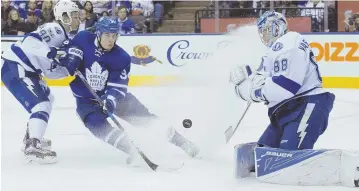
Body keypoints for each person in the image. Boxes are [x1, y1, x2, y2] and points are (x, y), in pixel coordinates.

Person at [59, 16, 199, 167]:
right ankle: (134, 151)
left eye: (114, 36)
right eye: (107, 35)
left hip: (117, 99)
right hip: (86, 102)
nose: (111, 40)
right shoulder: (83, 38)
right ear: (98, 34)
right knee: (99, 128)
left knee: (145, 119)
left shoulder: (121, 57)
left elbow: (117, 86)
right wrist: (68, 58)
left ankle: (183, 142)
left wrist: (110, 101)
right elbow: (66, 48)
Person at [229, 11, 335, 177]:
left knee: (288, 164)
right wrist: (244, 80)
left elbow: (285, 87)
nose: (263, 36)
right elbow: (260, 80)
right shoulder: (274, 51)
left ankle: (336, 168)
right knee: (261, 159)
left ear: (275, 28)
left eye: (265, 31)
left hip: (306, 106)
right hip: (284, 112)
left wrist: (253, 91)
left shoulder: (289, 42)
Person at [1, 0, 80, 164]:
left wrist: (66, 69)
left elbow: (50, 72)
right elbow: (30, 40)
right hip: (16, 66)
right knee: (41, 104)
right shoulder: (55, 29)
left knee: (48, 99)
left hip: (26, 69)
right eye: (74, 16)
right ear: (63, 16)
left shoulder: (63, 36)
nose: (78, 19)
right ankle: (33, 146)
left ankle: (31, 138)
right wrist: (50, 53)